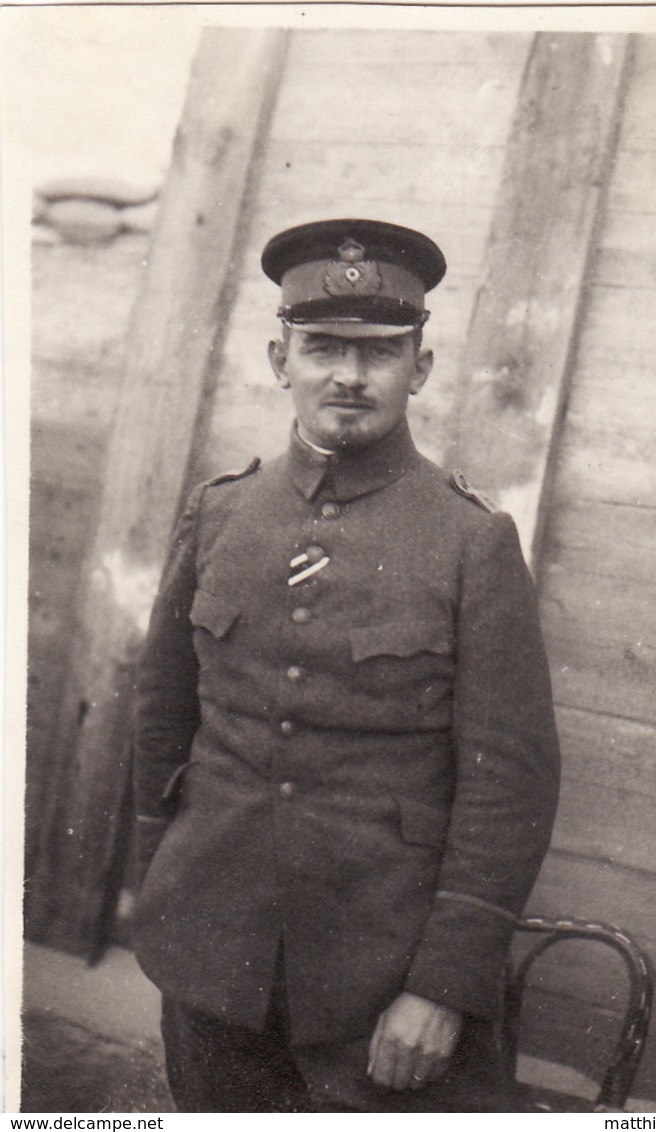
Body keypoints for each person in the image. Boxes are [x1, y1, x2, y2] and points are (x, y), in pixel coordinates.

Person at [132, 218, 560, 1113]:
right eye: (323, 347)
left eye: (380, 352)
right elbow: (162, 714)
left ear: (422, 367)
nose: (350, 376)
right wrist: (160, 886)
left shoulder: (471, 543)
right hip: (212, 953)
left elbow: (509, 786)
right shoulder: (220, 515)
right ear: (280, 358)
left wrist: (443, 987)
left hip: (380, 984)